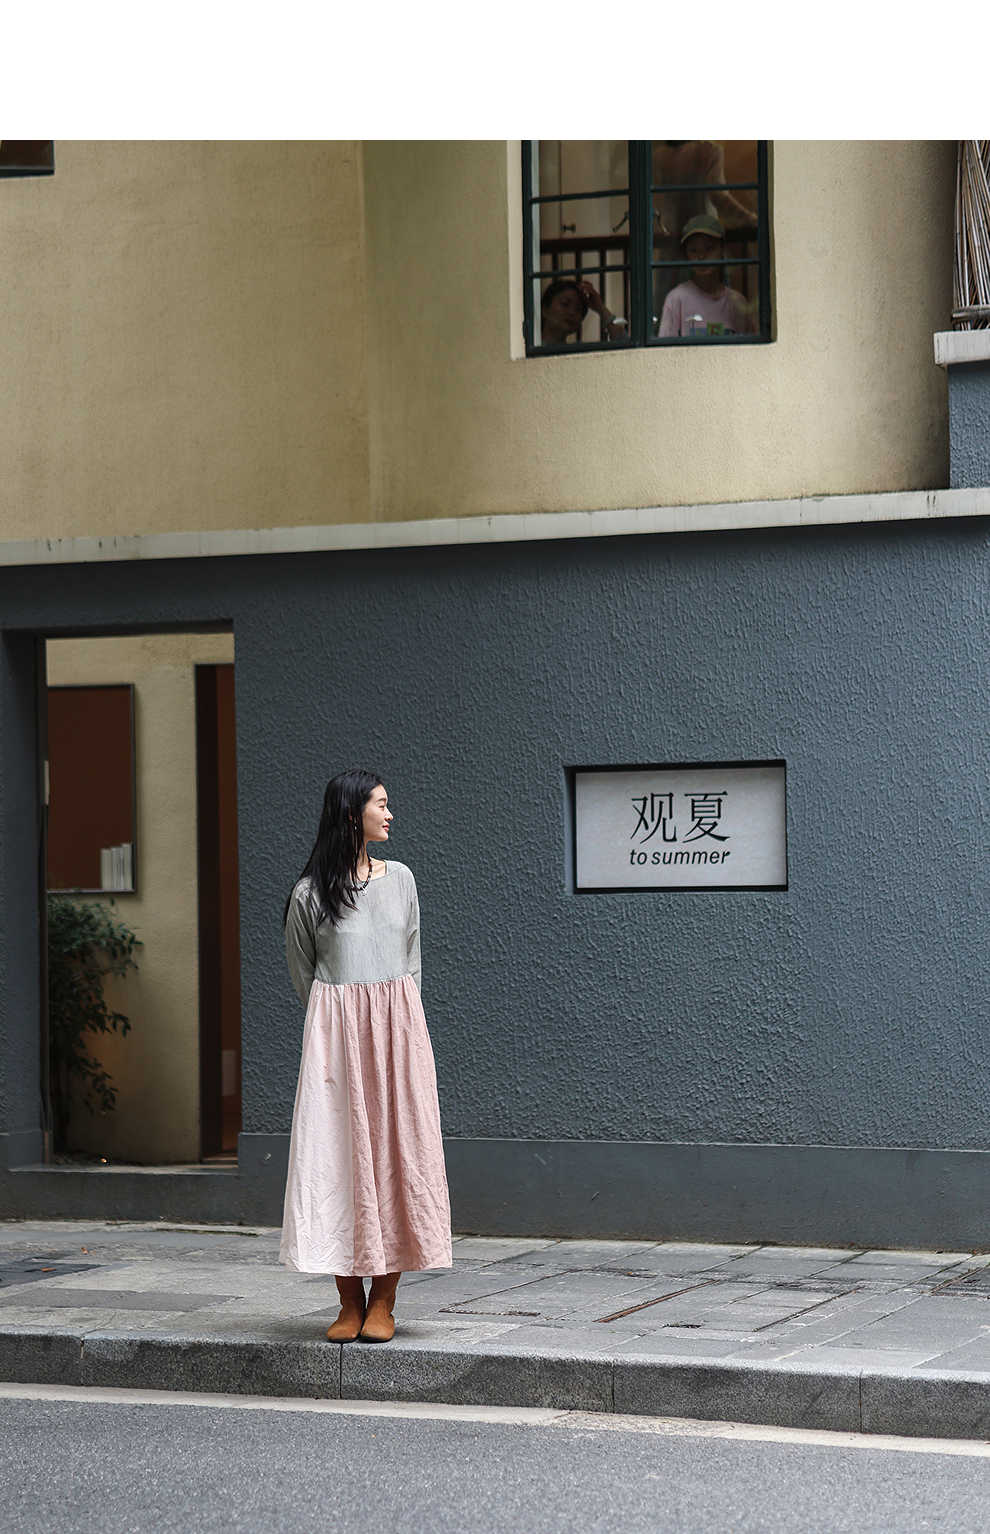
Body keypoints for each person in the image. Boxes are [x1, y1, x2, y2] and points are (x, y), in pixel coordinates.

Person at [279, 769, 452, 1344]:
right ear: (352, 814)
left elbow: (412, 962)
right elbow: (306, 977)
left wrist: (399, 1031)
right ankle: (349, 1301)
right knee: (339, 1160)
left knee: (398, 1158)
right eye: (381, 804)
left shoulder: (401, 880)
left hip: (398, 1041)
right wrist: (341, 1027)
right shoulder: (310, 894)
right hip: (337, 1046)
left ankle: (384, 1300)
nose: (390, 813)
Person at [658, 214, 755, 338]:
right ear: (686, 254)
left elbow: (750, 346)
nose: (701, 256)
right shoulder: (676, 299)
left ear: (722, 249)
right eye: (694, 250)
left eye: (709, 248)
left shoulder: (736, 302)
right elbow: (665, 346)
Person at [540, 276, 627, 345]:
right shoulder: (531, 349)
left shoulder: (577, 353)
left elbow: (625, 345)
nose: (572, 312)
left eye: (578, 309)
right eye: (565, 304)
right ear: (545, 309)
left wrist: (601, 308)